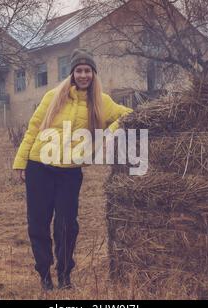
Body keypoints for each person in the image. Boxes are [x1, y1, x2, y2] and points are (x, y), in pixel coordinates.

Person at [13, 48, 132, 291]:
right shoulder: (53, 96)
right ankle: (45, 276)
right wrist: (20, 162)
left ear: (93, 74)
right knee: (38, 222)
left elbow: (129, 114)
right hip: (39, 165)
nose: (83, 75)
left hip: (69, 171)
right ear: (72, 73)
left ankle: (65, 275)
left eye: (87, 70)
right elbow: (34, 128)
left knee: (67, 225)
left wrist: (110, 131)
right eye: (79, 70)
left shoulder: (101, 101)